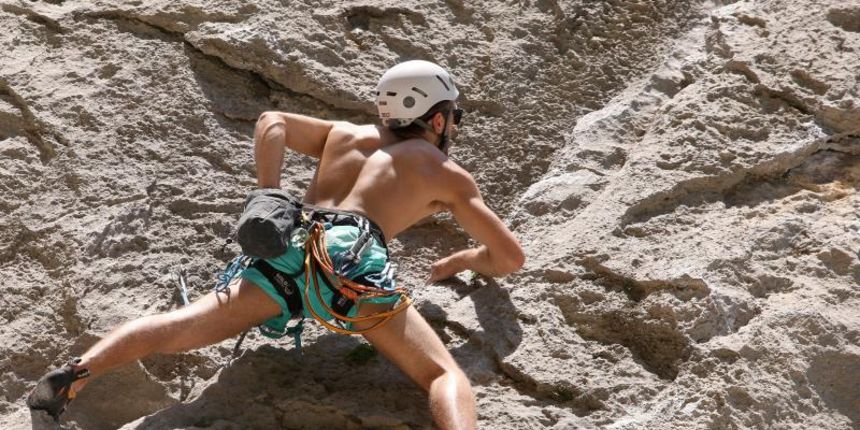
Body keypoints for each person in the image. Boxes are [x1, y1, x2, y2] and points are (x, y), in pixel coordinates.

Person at [27, 60, 525, 430]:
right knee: (442, 375)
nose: (453, 128)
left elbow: (272, 123)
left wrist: (268, 193)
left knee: (176, 327)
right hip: (352, 260)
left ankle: (72, 377)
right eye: (453, 118)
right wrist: (465, 258)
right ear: (436, 118)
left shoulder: (345, 135)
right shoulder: (442, 172)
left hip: (289, 245)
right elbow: (509, 257)